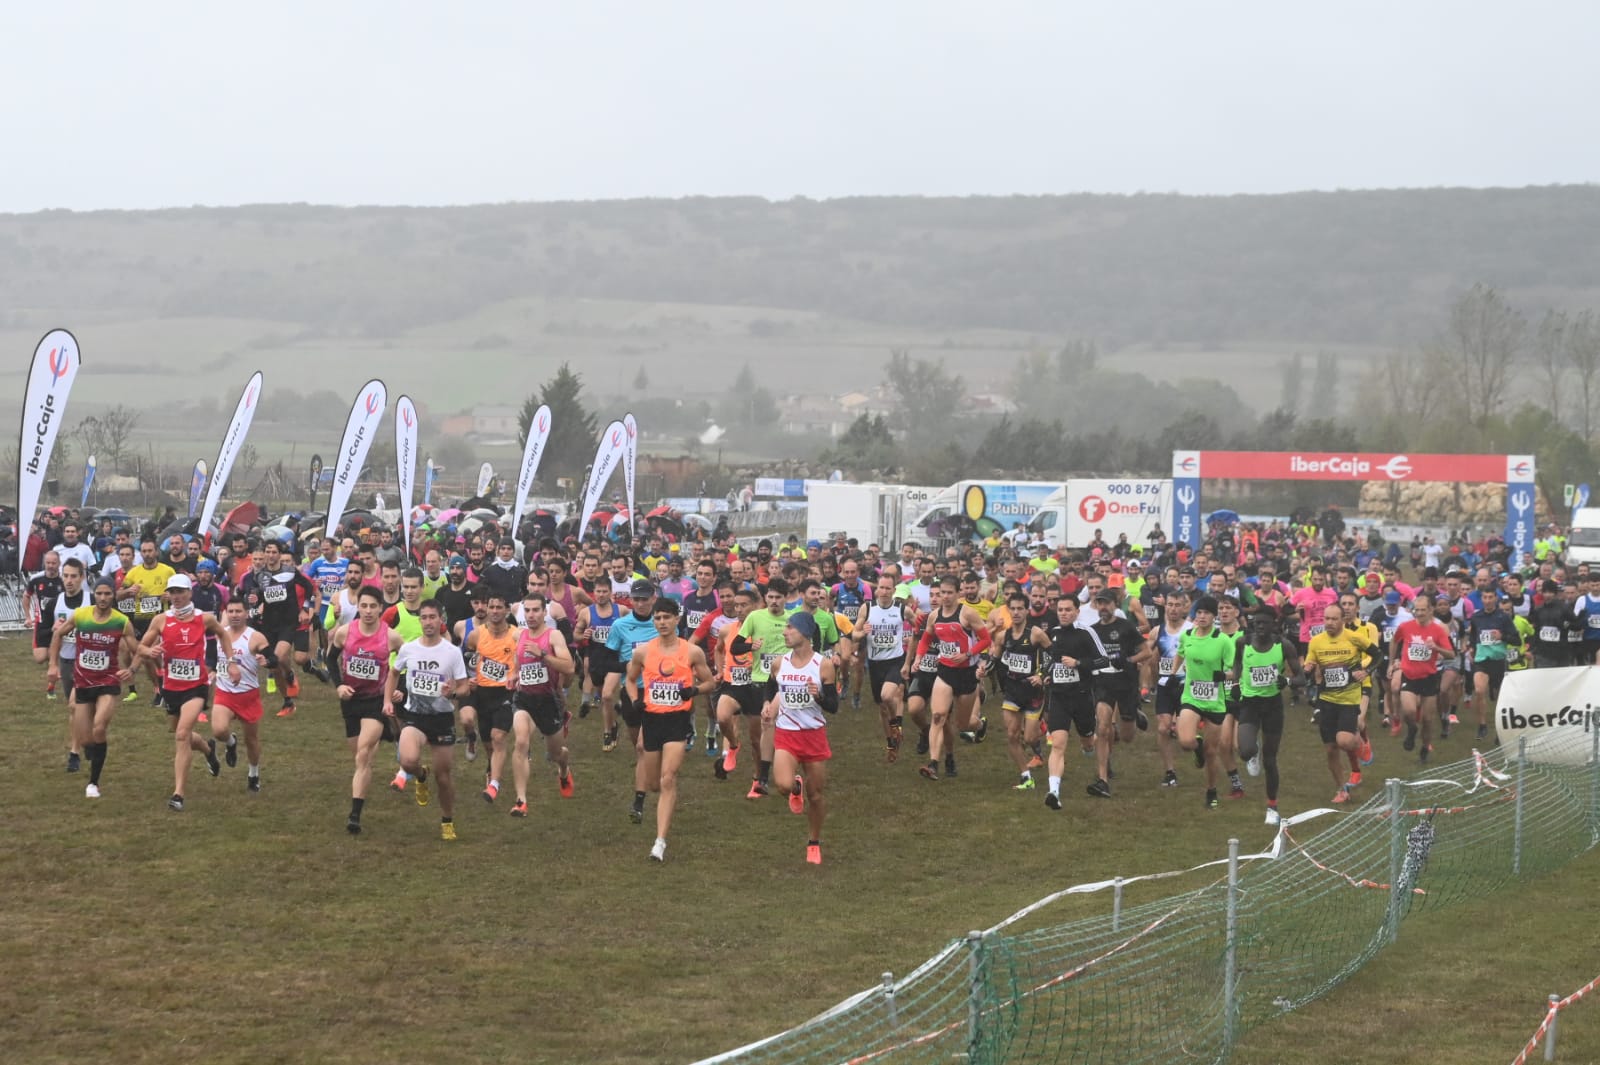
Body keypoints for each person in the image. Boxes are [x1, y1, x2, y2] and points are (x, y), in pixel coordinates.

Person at [627, 598, 716, 862]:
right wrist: (634, 700)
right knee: (654, 783)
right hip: (652, 720)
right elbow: (630, 680)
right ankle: (651, 806)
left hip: (678, 721)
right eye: (658, 618)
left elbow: (710, 681)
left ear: (678, 619)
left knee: (668, 779)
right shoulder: (643, 652)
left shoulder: (691, 652)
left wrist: (694, 690)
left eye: (667, 617)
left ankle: (660, 842)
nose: (662, 623)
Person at [138, 574, 230, 811]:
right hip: (172, 687)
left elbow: (223, 634)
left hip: (196, 686)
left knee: (181, 735)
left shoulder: (205, 618)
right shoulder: (161, 620)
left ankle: (178, 794)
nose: (176, 597)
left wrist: (231, 661)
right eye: (172, 592)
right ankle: (208, 749)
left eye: (181, 592)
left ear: (190, 593)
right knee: (181, 734)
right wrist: (149, 652)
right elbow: (141, 645)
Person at [385, 599, 471, 840]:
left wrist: (452, 693)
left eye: (433, 617)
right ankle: (419, 775)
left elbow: (465, 687)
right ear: (420, 620)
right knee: (408, 761)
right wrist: (387, 701)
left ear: (440, 620)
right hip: (415, 716)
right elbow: (393, 673)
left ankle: (447, 821)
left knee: (443, 777)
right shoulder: (409, 649)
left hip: (442, 719)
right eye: (424, 617)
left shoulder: (452, 653)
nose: (428, 622)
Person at [47, 577, 138, 799]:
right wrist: (52, 664)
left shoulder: (121, 621)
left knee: (99, 728)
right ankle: (93, 752)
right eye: (100, 593)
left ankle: (93, 783)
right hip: (83, 682)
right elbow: (58, 634)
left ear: (113, 596)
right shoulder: (81, 615)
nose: (104, 598)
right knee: (87, 739)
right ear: (94, 594)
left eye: (108, 594)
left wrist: (132, 670)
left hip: (108, 681)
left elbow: (137, 650)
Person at [761, 610, 839, 865]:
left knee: (816, 795)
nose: (784, 631)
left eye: (790, 628)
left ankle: (814, 842)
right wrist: (766, 703)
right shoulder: (779, 662)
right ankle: (796, 787)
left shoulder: (823, 665)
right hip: (786, 734)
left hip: (813, 735)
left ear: (804, 633)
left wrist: (818, 696)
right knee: (782, 785)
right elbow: (771, 685)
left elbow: (834, 706)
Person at [330, 587, 404, 834]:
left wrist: (398, 689)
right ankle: (391, 735)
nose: (369, 611)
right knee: (361, 759)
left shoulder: (391, 637)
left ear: (381, 608)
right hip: (350, 701)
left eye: (373, 606)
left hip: (375, 701)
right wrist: (339, 684)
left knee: (363, 754)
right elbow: (330, 660)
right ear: (358, 607)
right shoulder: (344, 632)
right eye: (364, 606)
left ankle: (354, 815)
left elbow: (405, 663)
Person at [507, 593, 578, 815]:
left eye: (536, 610)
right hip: (525, 699)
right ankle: (521, 800)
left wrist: (544, 655)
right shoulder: (520, 636)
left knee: (555, 753)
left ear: (545, 612)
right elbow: (518, 666)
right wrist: (514, 675)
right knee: (520, 742)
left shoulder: (553, 636)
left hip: (549, 701)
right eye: (527, 610)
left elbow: (569, 668)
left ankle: (564, 770)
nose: (531, 615)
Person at [1233, 608, 1304, 825]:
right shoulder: (1243, 643)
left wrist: (1289, 682)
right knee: (1245, 751)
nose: (1260, 627)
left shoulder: (1284, 645)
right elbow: (1237, 663)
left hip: (1273, 706)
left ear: (1274, 625)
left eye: (1264, 623)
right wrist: (1236, 682)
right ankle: (1253, 751)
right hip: (1249, 703)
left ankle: (1272, 807)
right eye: (1256, 623)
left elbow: (1301, 677)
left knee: (1271, 760)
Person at [1031, 596, 1100, 809]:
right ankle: (1054, 791)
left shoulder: (1086, 633)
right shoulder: (1053, 633)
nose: (1063, 613)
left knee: (1087, 740)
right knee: (1058, 744)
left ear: (1077, 611)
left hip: (1082, 697)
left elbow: (1104, 659)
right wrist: (1045, 675)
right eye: (1060, 609)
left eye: (1068, 609)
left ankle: (1091, 747)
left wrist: (1078, 663)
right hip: (1059, 697)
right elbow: (1049, 660)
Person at [1304, 603, 1375, 804]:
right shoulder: (1316, 641)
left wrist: (1366, 671)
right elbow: (1310, 662)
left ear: (1343, 620)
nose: (1330, 623)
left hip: (1348, 700)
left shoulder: (1354, 638)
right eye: (1326, 618)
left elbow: (1377, 655)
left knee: (1344, 741)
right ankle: (1341, 789)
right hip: (1326, 701)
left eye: (1334, 619)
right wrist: (1307, 669)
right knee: (1330, 750)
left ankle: (1360, 743)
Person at [1172, 596, 1232, 809]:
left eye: (1207, 613)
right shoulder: (1187, 635)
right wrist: (1172, 674)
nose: (1202, 616)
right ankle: (1196, 748)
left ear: (1214, 616)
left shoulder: (1222, 640)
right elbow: (1180, 655)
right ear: (1195, 615)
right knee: (1186, 742)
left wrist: (1223, 676)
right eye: (1199, 613)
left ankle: (1211, 789)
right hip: (1192, 697)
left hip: (1215, 702)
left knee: (1212, 752)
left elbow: (1236, 671)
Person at [463, 592, 519, 806]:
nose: (495, 611)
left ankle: (494, 784)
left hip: (506, 693)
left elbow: (524, 658)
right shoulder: (476, 635)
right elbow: (468, 657)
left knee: (498, 737)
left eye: (499, 607)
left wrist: (517, 675)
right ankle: (491, 766)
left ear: (506, 610)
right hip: (482, 693)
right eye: (491, 607)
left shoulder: (516, 635)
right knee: (488, 741)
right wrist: (470, 678)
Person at [211, 599, 272, 792]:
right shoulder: (220, 634)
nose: (235, 615)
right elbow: (212, 659)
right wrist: (211, 671)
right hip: (224, 692)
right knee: (219, 730)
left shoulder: (255, 637)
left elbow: (274, 659)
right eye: (231, 611)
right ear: (226, 613)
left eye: (239, 611)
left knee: (251, 740)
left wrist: (267, 661)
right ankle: (231, 742)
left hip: (248, 695)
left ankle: (253, 774)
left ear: (247, 613)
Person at [857, 573, 912, 762]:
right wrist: (861, 632)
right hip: (875, 663)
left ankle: (896, 724)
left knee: (887, 695)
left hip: (895, 661)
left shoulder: (902, 609)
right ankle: (891, 742)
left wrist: (910, 654)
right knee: (882, 708)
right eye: (881, 587)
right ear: (876, 589)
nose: (884, 591)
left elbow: (920, 627)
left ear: (894, 591)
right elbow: (854, 633)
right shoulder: (867, 608)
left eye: (888, 588)